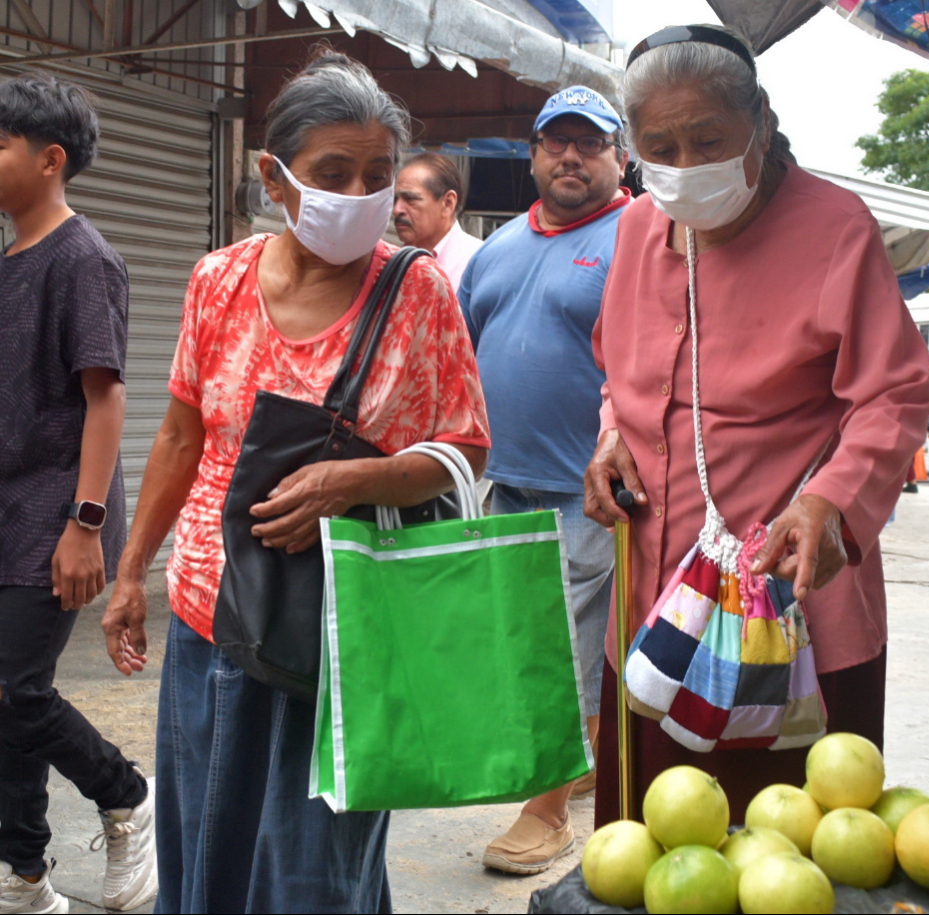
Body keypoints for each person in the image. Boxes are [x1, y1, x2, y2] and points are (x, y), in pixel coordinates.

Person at [99, 52, 491, 913]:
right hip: (211, 614)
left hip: (347, 634)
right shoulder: (219, 280)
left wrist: (357, 478)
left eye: (378, 176)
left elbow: (464, 447)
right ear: (275, 178)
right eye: (333, 173)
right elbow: (179, 434)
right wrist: (131, 569)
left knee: (315, 871)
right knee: (208, 842)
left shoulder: (417, 292)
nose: (359, 193)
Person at [584, 25, 929, 826]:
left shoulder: (835, 227)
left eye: (707, 140)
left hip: (785, 604)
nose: (681, 166)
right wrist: (610, 436)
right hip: (653, 602)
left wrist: (832, 499)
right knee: (646, 841)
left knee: (787, 844)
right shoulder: (636, 227)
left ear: (762, 123)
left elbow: (896, 392)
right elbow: (620, 376)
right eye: (657, 146)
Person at [459, 85, 630, 875]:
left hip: (587, 487)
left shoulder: (640, 236)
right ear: (531, 154)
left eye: (589, 143)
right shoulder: (496, 250)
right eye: (556, 142)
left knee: (566, 648)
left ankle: (549, 812)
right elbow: (460, 357)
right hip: (506, 482)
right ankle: (574, 768)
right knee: (522, 643)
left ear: (618, 157)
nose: (571, 156)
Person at [0, 74, 157, 915]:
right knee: (5, 695)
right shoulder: (12, 258)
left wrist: (86, 524)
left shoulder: (83, 257)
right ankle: (26, 874)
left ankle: (127, 793)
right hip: (9, 509)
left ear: (48, 160)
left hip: (60, 512)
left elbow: (107, 396)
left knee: (15, 691)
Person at [392, 150, 481, 292]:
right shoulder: (391, 263)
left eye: (410, 199)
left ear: (448, 203)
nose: (397, 210)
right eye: (394, 200)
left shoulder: (477, 261)